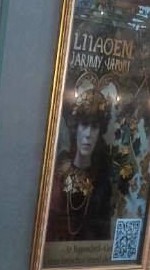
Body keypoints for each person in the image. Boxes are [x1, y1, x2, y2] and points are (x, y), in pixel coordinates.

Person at [46, 89, 114, 246]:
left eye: (94, 127)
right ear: (75, 128)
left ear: (100, 132)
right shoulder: (57, 176)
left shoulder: (102, 184)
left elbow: (102, 237)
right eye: (84, 125)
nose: (88, 134)